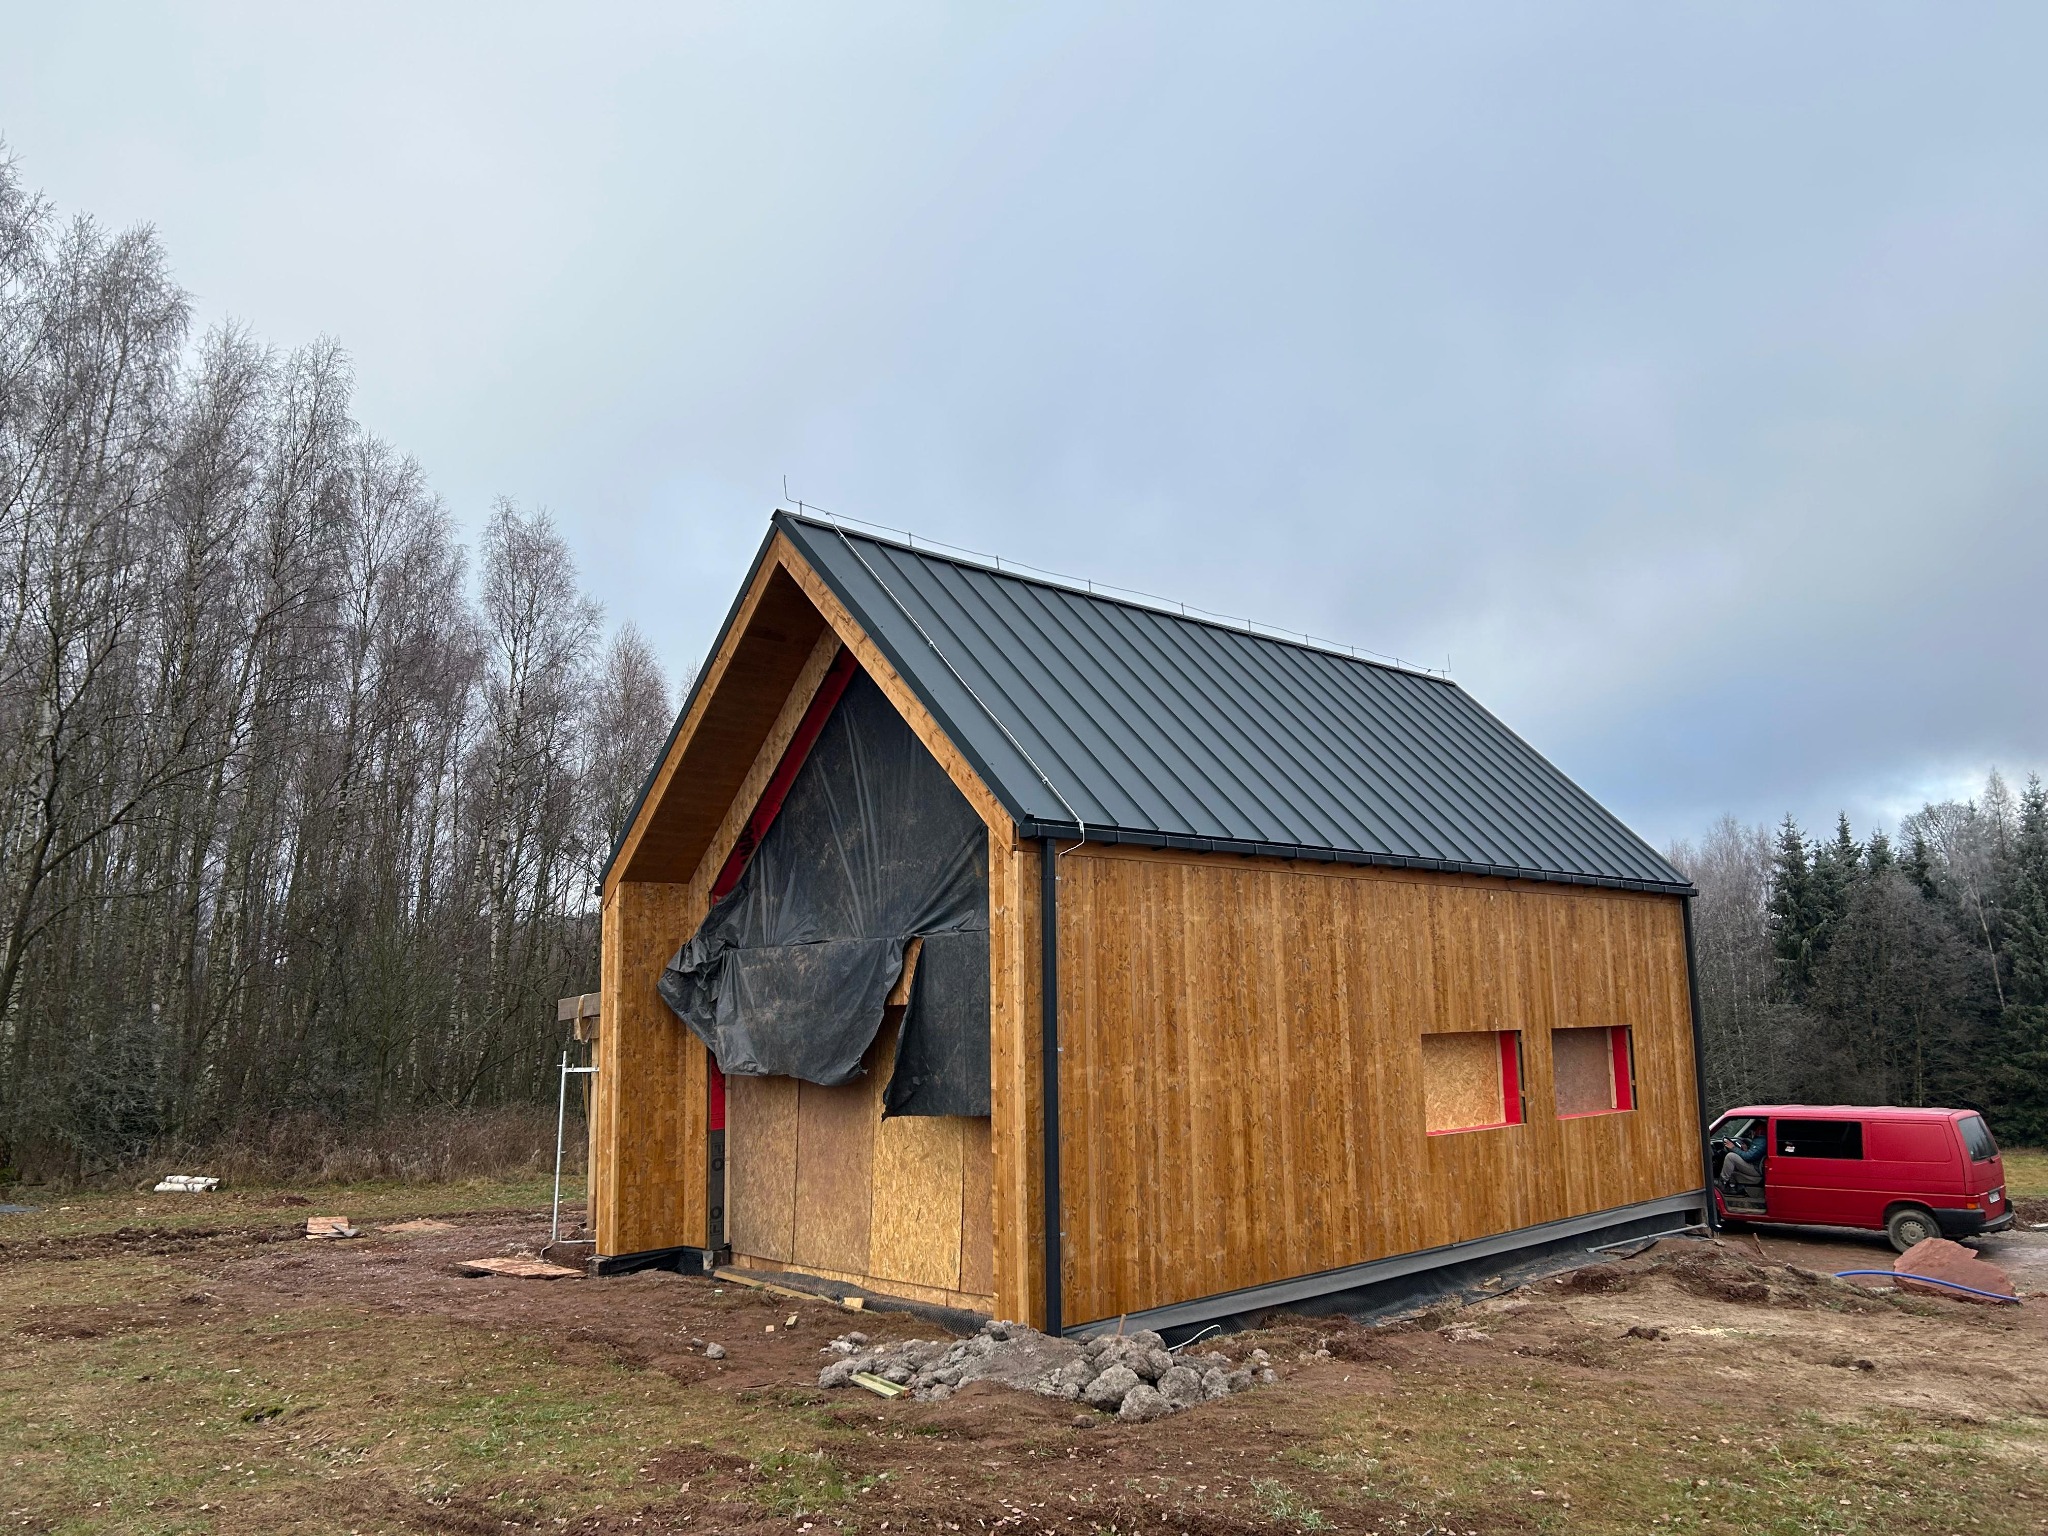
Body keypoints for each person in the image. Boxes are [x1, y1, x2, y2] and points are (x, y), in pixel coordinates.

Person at [1718, 1121, 1765, 1194]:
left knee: (1730, 1157)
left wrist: (1733, 1148)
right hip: (1756, 1165)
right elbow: (1753, 1154)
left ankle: (1722, 1182)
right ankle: (1732, 1187)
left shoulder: (1761, 1141)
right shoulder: (1760, 1140)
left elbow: (1749, 1157)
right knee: (1731, 1165)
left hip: (1755, 1169)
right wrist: (1745, 1150)